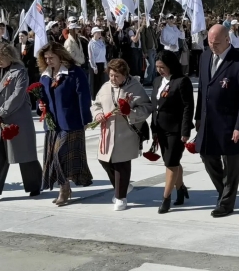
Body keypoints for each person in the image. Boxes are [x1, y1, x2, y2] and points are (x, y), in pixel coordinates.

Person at [195, 24, 239, 218]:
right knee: (206, 155)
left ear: (228, 40)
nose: (213, 46)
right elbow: (203, 90)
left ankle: (227, 203)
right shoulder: (205, 57)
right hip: (208, 120)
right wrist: (198, 117)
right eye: (210, 42)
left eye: (217, 43)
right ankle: (224, 192)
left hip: (230, 122)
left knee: (231, 164)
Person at [0, 43, 41, 201]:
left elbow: (18, 96)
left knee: (25, 156)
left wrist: (1, 112)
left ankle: (34, 186)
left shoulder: (20, 72)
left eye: (1, 59)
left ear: (10, 57)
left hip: (17, 119)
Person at [37, 41, 94, 206]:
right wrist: (40, 106)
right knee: (53, 158)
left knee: (59, 155)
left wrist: (85, 119)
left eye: (51, 57)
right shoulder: (45, 75)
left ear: (61, 56)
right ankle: (64, 187)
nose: (48, 61)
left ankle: (64, 189)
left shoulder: (75, 72)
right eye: (45, 58)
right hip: (52, 123)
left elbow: (83, 96)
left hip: (71, 122)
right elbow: (42, 98)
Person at [91, 58, 152, 211]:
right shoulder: (105, 87)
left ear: (125, 74)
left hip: (126, 132)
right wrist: (97, 114)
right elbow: (96, 104)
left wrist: (130, 112)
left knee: (121, 164)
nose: (113, 78)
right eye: (111, 75)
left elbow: (147, 107)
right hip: (108, 132)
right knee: (104, 160)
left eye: (116, 76)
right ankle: (124, 186)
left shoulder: (135, 87)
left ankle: (120, 197)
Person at [151, 51, 194, 214]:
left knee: (170, 163)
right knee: (172, 162)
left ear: (171, 65)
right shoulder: (156, 81)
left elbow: (188, 107)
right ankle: (181, 187)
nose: (160, 70)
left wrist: (185, 130)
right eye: (157, 67)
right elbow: (155, 106)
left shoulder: (182, 81)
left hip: (176, 130)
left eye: (162, 67)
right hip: (160, 128)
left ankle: (166, 198)